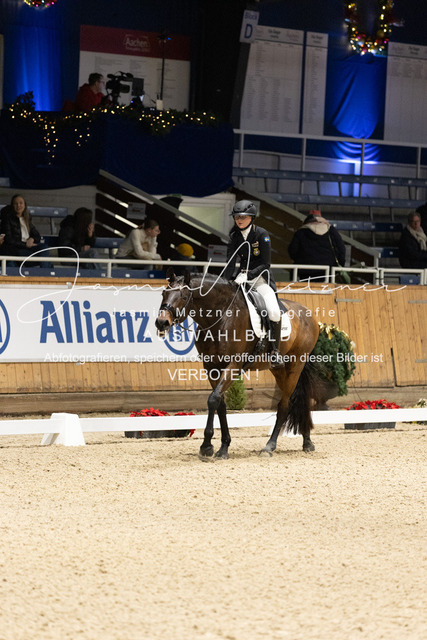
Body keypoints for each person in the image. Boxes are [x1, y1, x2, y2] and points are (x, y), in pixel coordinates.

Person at [223, 199, 283, 366]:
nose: (239, 220)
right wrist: (226, 281)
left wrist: (248, 275)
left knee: (274, 312)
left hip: (260, 280)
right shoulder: (234, 236)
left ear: (252, 217)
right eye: (236, 217)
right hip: (240, 280)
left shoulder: (261, 234)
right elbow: (230, 263)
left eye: (242, 217)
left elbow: (266, 264)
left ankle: (275, 351)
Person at [288, 210, 346, 282]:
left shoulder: (300, 232)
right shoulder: (331, 231)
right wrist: (340, 265)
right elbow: (341, 249)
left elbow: (292, 251)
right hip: (328, 271)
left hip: (305, 271)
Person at [0, 194, 41, 261]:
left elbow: (37, 236)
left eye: (21, 203)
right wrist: (25, 245)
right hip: (17, 248)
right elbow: (9, 239)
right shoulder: (8, 219)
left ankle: (46, 267)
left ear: (25, 205)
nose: (18, 205)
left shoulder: (27, 218)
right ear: (12, 206)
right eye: (16, 204)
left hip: (29, 247)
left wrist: (32, 239)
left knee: (44, 248)